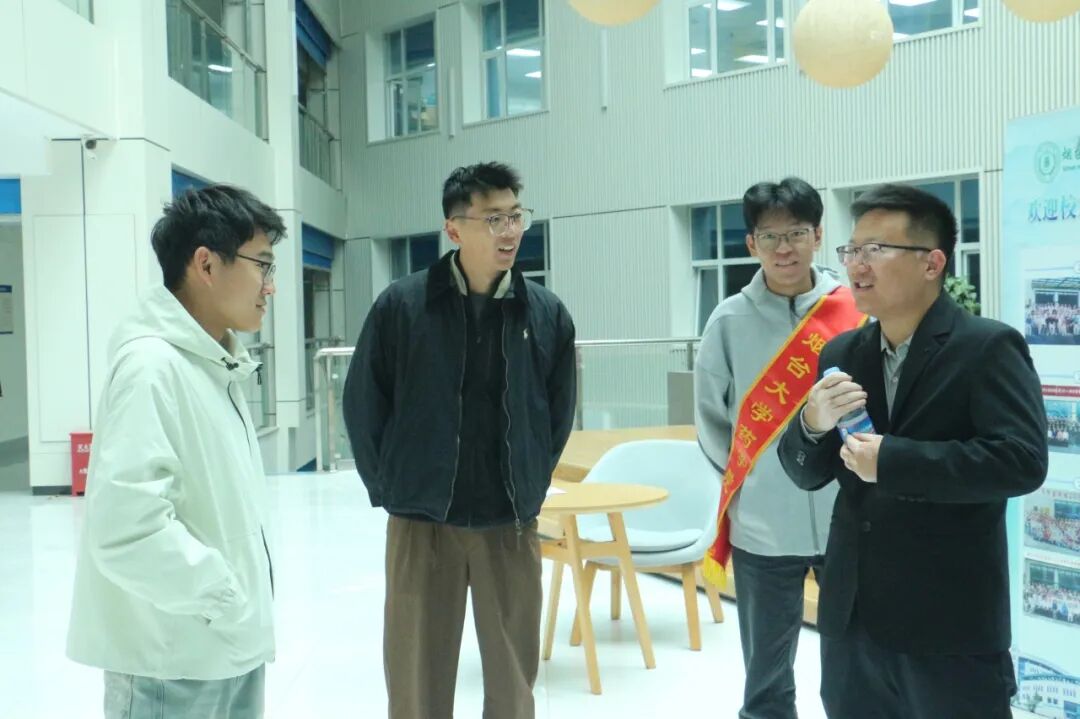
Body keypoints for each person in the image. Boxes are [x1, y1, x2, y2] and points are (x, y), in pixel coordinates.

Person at [778, 183, 1049, 719]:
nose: (857, 264)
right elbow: (806, 473)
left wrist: (893, 462)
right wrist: (811, 423)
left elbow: (1021, 461)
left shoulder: (986, 347)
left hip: (948, 624)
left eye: (876, 249)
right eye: (852, 250)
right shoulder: (842, 353)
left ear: (932, 262)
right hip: (854, 620)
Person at [343, 161, 577, 719]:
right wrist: (394, 490)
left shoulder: (545, 313)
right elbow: (364, 404)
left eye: (516, 216)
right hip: (422, 522)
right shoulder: (403, 306)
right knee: (416, 682)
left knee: (514, 683)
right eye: (493, 218)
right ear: (454, 229)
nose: (510, 230)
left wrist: (529, 482)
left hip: (508, 521)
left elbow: (557, 413)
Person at [67, 185, 286, 718]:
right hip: (170, 666)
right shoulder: (151, 369)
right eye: (262, 265)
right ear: (206, 264)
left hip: (224, 648)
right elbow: (126, 530)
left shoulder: (213, 364)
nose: (270, 286)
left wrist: (235, 612)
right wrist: (224, 597)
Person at [695, 177, 863, 719]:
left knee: (856, 671)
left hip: (847, 519)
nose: (784, 248)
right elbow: (712, 420)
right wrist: (753, 484)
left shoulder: (854, 311)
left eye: (796, 233)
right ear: (751, 244)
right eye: (770, 237)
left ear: (818, 235)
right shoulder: (728, 320)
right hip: (762, 529)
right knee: (766, 685)